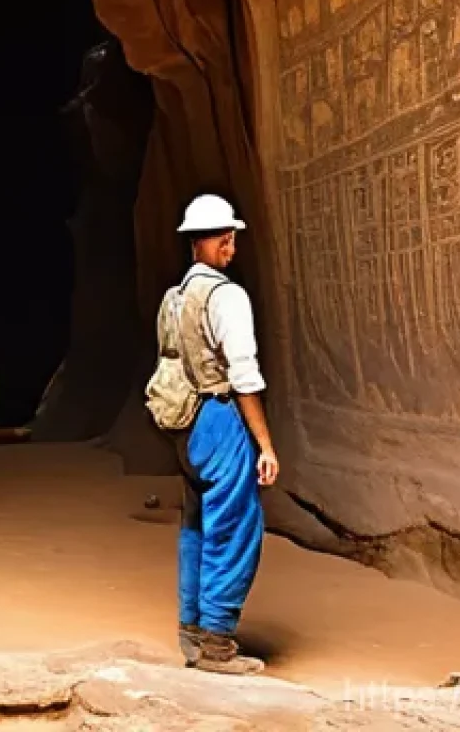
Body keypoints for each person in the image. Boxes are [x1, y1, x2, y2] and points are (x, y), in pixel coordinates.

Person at [163, 194, 279, 675]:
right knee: (235, 526)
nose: (231, 247)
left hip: (182, 423)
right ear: (216, 240)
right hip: (217, 416)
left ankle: (191, 629)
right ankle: (215, 644)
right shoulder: (226, 296)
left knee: (196, 523)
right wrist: (265, 444)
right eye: (227, 238)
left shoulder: (174, 297)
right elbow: (244, 376)